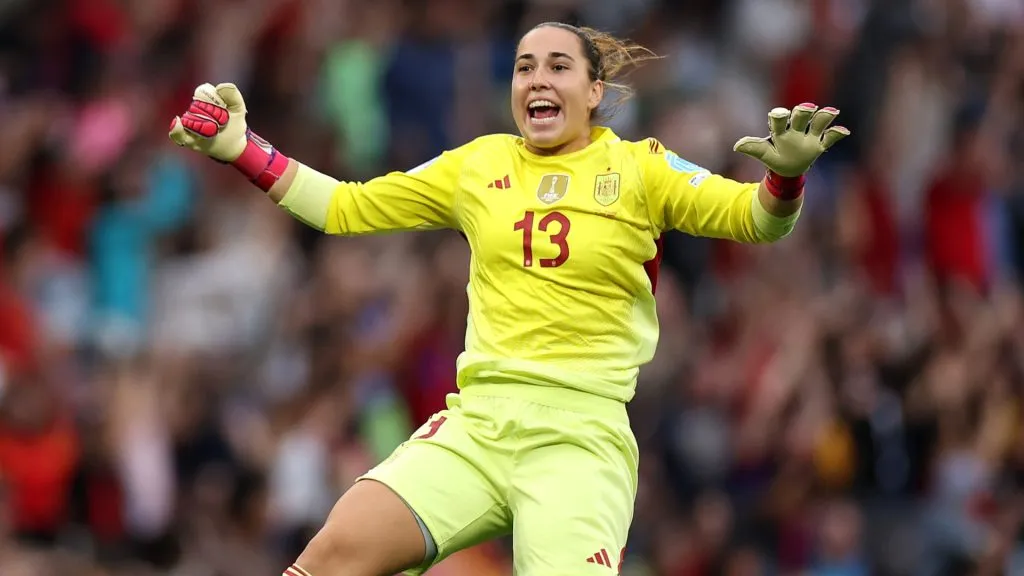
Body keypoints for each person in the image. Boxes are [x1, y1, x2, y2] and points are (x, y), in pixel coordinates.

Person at [169, 21, 848, 576]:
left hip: (579, 439)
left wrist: (784, 180)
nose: (537, 79)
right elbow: (344, 207)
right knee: (330, 558)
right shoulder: (480, 164)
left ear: (594, 91)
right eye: (525, 68)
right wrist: (243, 148)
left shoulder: (640, 168)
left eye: (558, 66)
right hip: (479, 426)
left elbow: (755, 220)